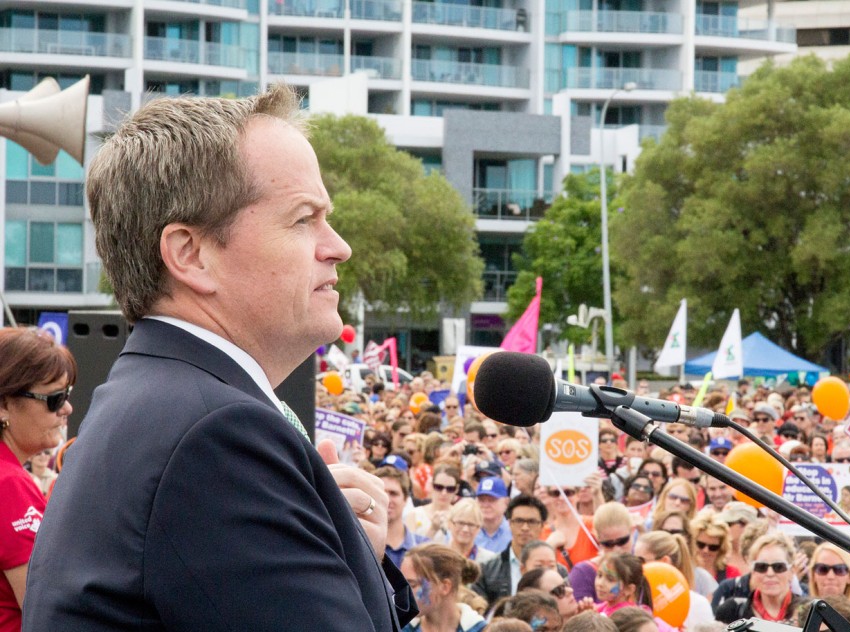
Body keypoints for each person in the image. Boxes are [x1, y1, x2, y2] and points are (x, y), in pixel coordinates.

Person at [23, 87, 414, 631]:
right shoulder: (217, 436)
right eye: (304, 219)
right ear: (191, 254)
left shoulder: (164, 404)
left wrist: (344, 558)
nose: (338, 246)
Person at [0, 327, 76, 631]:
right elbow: (48, 612)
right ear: (4, 405)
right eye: (54, 399)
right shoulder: (9, 485)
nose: (67, 408)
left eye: (67, 395)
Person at [714, 532, 807, 625]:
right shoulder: (732, 611)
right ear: (752, 571)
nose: (770, 573)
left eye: (778, 567)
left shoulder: (807, 612)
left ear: (791, 571)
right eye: (761, 567)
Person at [401, 544, 486, 632]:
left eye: (412, 585)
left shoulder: (481, 629)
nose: (403, 594)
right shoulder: (401, 627)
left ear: (445, 586)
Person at [446, 498, 497, 563]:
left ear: (478, 528)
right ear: (449, 524)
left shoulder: (489, 560)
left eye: (471, 525)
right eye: (461, 523)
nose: (465, 529)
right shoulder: (438, 557)